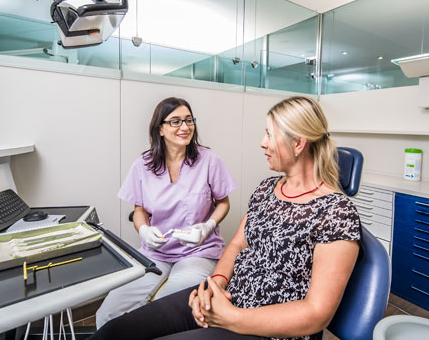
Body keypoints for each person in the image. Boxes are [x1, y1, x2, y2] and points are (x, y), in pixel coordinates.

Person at [90, 96, 361, 340]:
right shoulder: (268, 188)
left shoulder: (336, 212)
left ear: (298, 143)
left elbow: (316, 314)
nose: (262, 142)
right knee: (115, 330)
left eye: (269, 134)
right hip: (230, 298)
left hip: (269, 326)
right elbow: (236, 245)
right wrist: (215, 285)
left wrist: (233, 319)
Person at [95, 97, 237, 329]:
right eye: (175, 121)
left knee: (163, 310)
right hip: (156, 253)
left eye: (189, 120)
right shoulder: (143, 165)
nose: (185, 127)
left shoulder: (209, 160)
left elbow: (223, 202)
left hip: (198, 252)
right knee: (108, 313)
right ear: (160, 128)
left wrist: (207, 226)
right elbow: (139, 210)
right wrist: (144, 230)